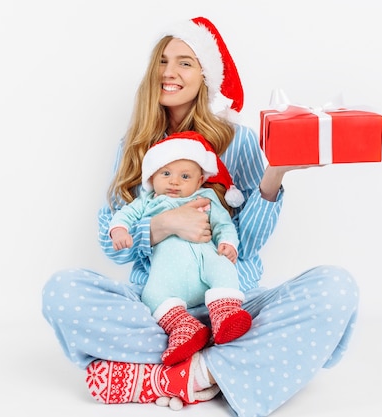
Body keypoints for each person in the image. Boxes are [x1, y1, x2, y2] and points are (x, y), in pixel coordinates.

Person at [42, 16, 359, 416]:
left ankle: (173, 373)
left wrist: (273, 175)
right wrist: (161, 226)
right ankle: (225, 367)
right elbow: (112, 244)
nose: (169, 72)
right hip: (158, 310)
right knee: (63, 291)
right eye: (162, 60)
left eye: (185, 62)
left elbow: (250, 242)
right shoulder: (135, 145)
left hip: (232, 307)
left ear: (206, 75)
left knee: (335, 288)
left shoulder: (237, 139)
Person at [109, 130, 252, 367]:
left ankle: (225, 312)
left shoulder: (205, 197)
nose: (174, 181)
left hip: (205, 262)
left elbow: (223, 225)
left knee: (223, 267)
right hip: (167, 276)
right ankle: (183, 326)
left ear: (199, 181)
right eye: (166, 173)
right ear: (152, 177)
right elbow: (124, 215)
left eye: (185, 176)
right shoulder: (147, 201)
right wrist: (120, 231)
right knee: (151, 295)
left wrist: (228, 244)